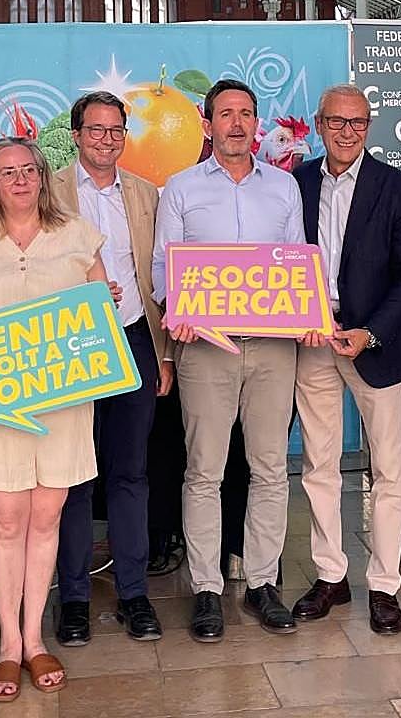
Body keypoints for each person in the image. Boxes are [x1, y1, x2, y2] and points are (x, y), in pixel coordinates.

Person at [0, 138, 114, 702]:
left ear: (42, 176)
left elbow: (101, 305)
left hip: (63, 401)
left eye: (29, 170)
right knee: (6, 519)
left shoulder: (78, 235)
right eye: (7, 172)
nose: (19, 179)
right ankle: (10, 644)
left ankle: (36, 638)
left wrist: (105, 298)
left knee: (47, 516)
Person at [152, 78, 305, 642]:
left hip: (272, 347)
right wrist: (178, 308)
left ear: (256, 123)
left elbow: (296, 263)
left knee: (269, 468)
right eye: (226, 115)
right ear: (207, 123)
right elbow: (163, 269)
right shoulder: (181, 187)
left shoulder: (284, 187)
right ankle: (208, 589)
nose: (237, 124)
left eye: (246, 114)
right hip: (205, 349)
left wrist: (306, 309)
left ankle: (263, 583)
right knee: (204, 472)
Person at [289, 84, 401, 635]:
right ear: (319, 125)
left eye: (358, 122)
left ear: (368, 127)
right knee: (319, 464)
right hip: (312, 339)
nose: (347, 131)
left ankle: (385, 585)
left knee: (388, 469)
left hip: (375, 342)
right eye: (337, 122)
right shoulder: (293, 184)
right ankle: (330, 576)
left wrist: (370, 332)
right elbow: (277, 261)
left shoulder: (397, 188)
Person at [50, 92, 174, 646]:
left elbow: (163, 275)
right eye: (95, 129)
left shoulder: (148, 195)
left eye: (115, 129)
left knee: (130, 473)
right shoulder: (44, 188)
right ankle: (73, 600)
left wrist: (165, 352)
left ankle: (133, 594)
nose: (106, 138)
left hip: (134, 339)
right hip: (72, 346)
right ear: (76, 134)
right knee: (74, 476)